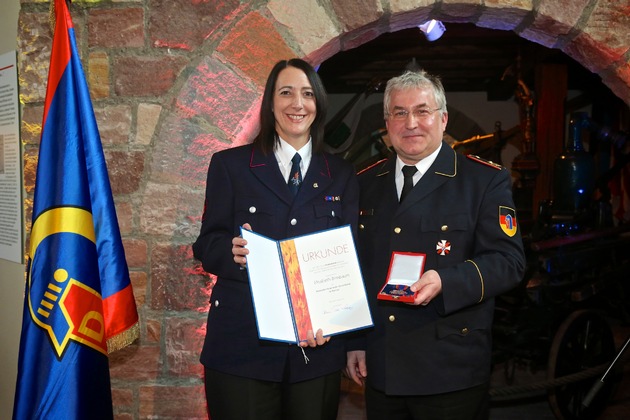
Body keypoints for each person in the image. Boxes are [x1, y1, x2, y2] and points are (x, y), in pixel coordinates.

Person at [345, 69, 526, 419]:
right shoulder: (365, 182)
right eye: (399, 112)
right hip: (382, 364)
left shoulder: (483, 180)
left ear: (442, 119)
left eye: (422, 111)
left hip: (449, 367)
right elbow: (356, 268)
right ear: (387, 123)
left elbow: (508, 262)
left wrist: (447, 281)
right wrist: (354, 341)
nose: (411, 122)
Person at [192, 58, 359, 420]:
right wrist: (229, 251)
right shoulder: (231, 166)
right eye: (286, 93)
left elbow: (350, 261)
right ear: (270, 103)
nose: (297, 104)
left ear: (319, 104)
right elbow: (206, 244)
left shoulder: (342, 175)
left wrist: (336, 320)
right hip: (241, 345)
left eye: (307, 94)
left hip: (317, 347)